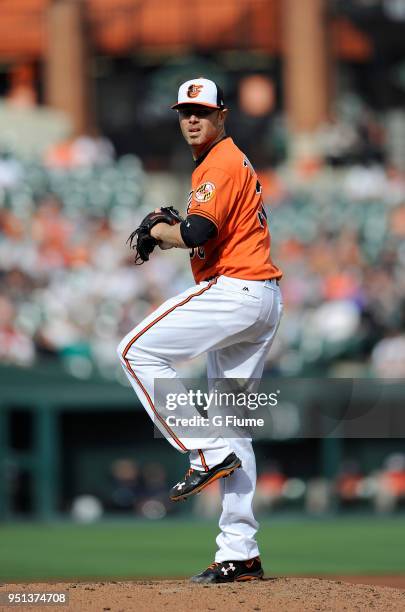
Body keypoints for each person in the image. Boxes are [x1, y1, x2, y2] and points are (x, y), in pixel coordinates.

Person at [118, 78, 283, 583]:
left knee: (133, 351)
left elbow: (196, 233)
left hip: (236, 292)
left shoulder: (218, 162)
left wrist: (158, 230)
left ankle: (206, 450)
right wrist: (172, 225)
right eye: (185, 111)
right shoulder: (229, 162)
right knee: (235, 425)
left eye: (202, 111)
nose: (192, 119)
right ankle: (241, 552)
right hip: (263, 299)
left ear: (221, 115)